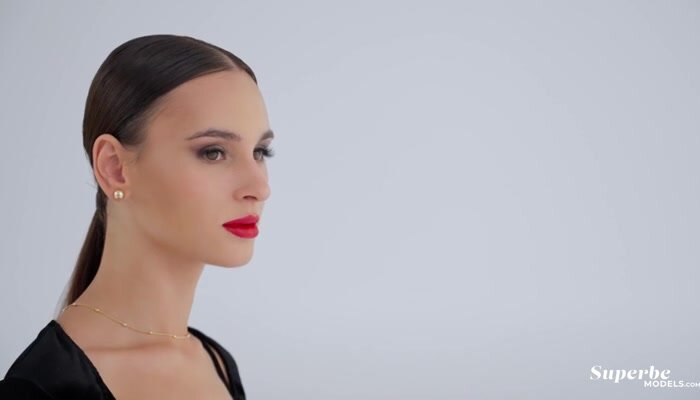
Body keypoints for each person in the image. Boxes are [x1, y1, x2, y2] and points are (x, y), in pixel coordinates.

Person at [0, 34, 275, 399]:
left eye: (260, 152)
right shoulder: (44, 387)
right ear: (114, 168)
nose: (259, 187)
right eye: (213, 152)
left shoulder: (216, 362)